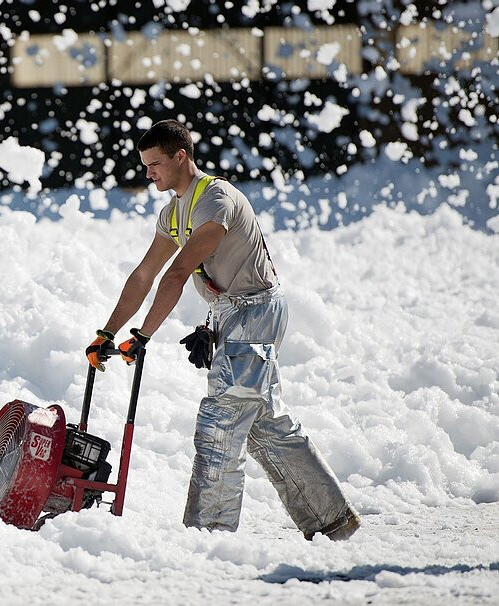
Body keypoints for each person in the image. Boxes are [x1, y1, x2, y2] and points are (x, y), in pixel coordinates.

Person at [85, 119, 360, 540]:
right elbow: (144, 275)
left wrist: (142, 336)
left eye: (155, 164)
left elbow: (176, 273)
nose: (148, 173)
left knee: (221, 420)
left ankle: (206, 535)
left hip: (255, 311)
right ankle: (332, 519)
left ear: (182, 156)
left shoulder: (215, 199)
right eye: (145, 166)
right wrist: (106, 333)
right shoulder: (173, 212)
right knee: (263, 422)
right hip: (232, 313)